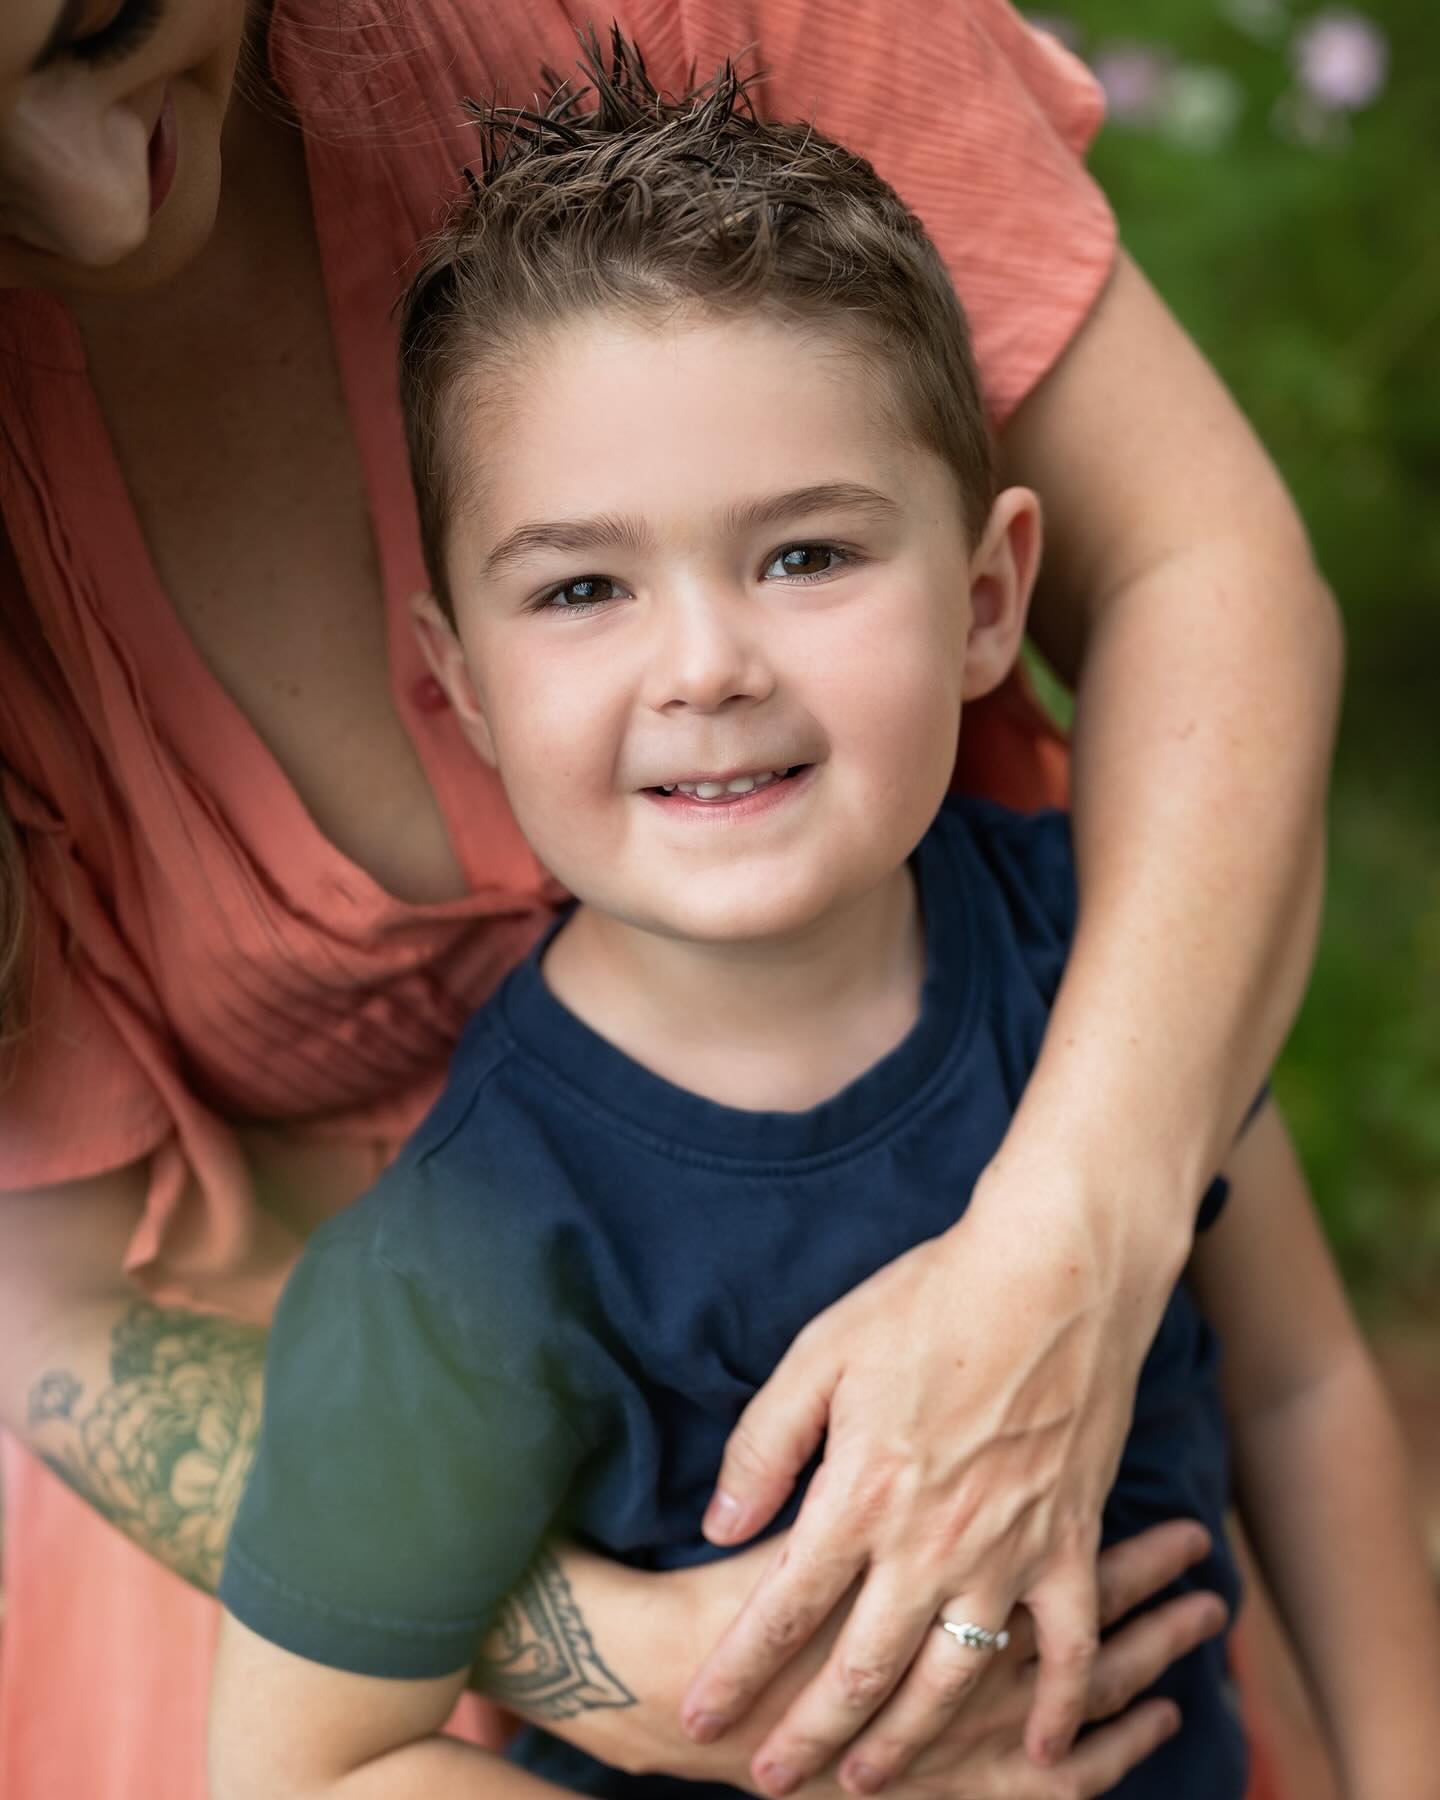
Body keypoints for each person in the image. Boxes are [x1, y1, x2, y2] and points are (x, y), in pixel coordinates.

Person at [0, 0, 1342, 1795]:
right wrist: (634, 1668)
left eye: (96, 28)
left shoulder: (1072, 950)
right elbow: (299, 1740)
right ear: (458, 680)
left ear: (983, 597)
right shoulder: (453, 1260)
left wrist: (1077, 1238)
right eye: (582, 591)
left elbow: (1303, 1391)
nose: (707, 667)